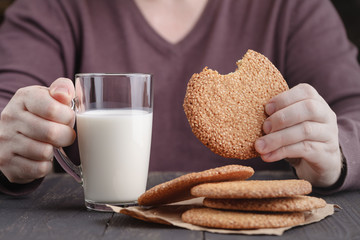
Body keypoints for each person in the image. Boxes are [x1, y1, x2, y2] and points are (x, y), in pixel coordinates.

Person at [0, 0, 360, 196]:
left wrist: (337, 151)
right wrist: (13, 142)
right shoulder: (50, 8)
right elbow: (7, 107)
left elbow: (354, 109)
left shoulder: (293, 8)